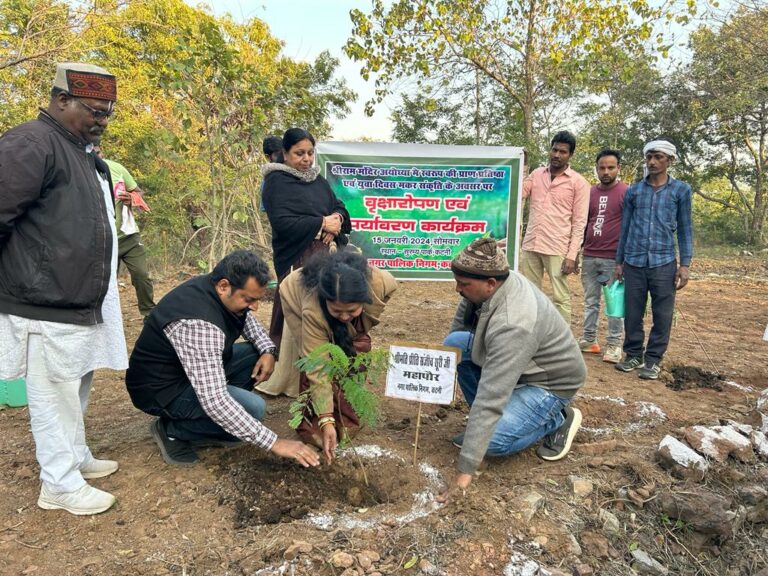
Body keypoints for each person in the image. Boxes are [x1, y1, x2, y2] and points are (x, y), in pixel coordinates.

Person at [0, 63, 127, 515]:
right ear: (61, 101)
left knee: (76, 382)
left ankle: (75, 456)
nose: (102, 121)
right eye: (94, 110)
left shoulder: (81, 152)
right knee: (52, 392)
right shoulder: (31, 144)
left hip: (76, 298)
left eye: (108, 113)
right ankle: (58, 482)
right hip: (42, 300)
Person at [125, 250, 321, 468]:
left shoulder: (217, 289)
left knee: (255, 354)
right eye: (249, 299)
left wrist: (268, 351)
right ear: (224, 286)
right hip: (161, 390)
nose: (255, 307)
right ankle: (172, 429)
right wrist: (274, 442)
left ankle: (219, 420)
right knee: (253, 409)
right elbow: (215, 400)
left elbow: (247, 323)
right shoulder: (200, 324)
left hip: (185, 371)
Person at [439, 238, 585, 502]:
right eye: (457, 281)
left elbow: (491, 395)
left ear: (491, 284)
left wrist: (465, 470)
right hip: (523, 363)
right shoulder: (491, 280)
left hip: (549, 382)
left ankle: (559, 418)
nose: (457, 289)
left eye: (463, 285)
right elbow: (460, 327)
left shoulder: (513, 322)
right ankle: (489, 426)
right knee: (454, 347)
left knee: (492, 444)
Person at [258, 127, 351, 397]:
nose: (306, 159)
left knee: (326, 311)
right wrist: (321, 222)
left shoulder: (317, 180)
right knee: (300, 314)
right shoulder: (276, 182)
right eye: (299, 153)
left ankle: (325, 371)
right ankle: (291, 378)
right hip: (296, 258)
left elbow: (339, 206)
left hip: (326, 255)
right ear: (285, 154)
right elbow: (283, 223)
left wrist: (336, 220)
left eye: (310, 153)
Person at [279, 251, 397, 463]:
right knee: (314, 361)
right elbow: (318, 367)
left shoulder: (380, 283)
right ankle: (313, 426)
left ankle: (346, 418)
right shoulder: (313, 310)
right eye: (337, 311)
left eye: (350, 310)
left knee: (352, 354)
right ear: (326, 302)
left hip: (350, 306)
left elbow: (380, 300)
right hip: (295, 297)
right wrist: (326, 420)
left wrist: (358, 326)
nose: (343, 317)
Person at [613, 139, 693, 380]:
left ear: (669, 160)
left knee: (663, 314)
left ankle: (654, 359)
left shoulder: (681, 191)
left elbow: (686, 228)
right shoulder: (634, 192)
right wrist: (619, 262)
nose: (652, 162)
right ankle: (633, 354)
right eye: (649, 157)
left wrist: (685, 264)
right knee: (633, 312)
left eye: (658, 157)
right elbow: (625, 228)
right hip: (634, 261)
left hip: (664, 262)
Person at [520, 130, 590, 323]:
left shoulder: (578, 183)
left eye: (563, 152)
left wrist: (571, 254)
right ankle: (532, 335)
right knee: (530, 294)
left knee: (560, 297)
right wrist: (523, 165)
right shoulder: (536, 175)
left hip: (556, 247)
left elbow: (579, 222)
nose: (557, 155)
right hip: (531, 244)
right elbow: (519, 194)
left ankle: (561, 343)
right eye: (554, 150)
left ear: (571, 155)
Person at [94, 145, 156, 317]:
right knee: (106, 283)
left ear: (102, 152)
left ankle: (149, 314)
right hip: (103, 240)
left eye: (98, 153)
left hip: (128, 236)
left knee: (141, 275)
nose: (96, 157)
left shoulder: (116, 169)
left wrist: (132, 198)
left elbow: (138, 193)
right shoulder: (80, 175)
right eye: (92, 153)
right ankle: (106, 318)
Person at [578, 149, 628, 363]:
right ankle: (590, 340)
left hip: (613, 258)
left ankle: (614, 345)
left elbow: (630, 226)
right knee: (590, 301)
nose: (606, 171)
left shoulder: (627, 192)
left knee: (614, 303)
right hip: (589, 255)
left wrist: (623, 260)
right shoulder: (589, 192)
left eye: (610, 167)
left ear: (618, 169)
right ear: (596, 169)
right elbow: (583, 222)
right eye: (602, 168)